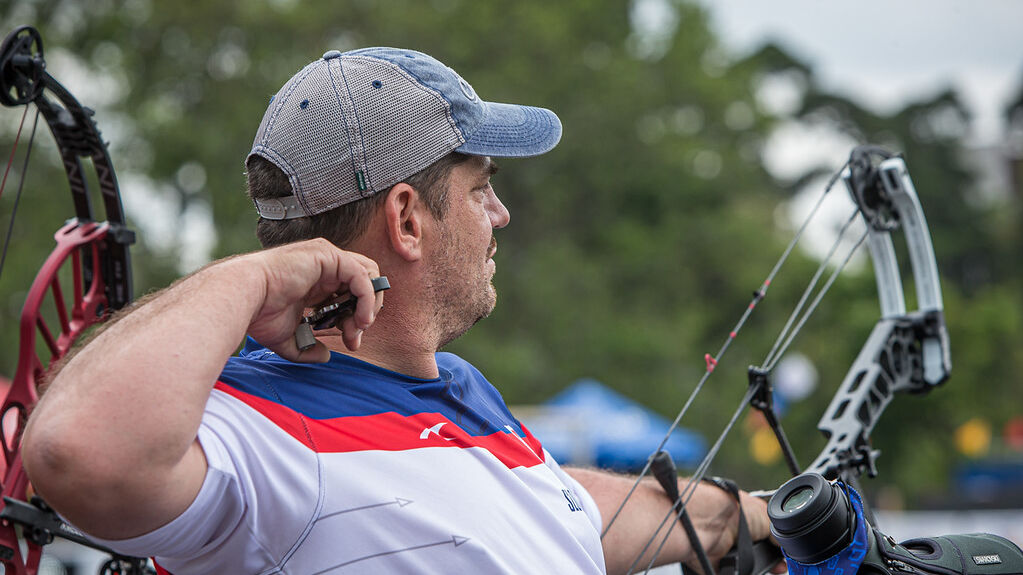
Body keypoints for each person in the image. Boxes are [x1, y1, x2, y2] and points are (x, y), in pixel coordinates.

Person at [23, 47, 778, 574]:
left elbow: (562, 511)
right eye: (481, 187)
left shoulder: (460, 392)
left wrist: (751, 515)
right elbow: (74, 452)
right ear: (407, 219)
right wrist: (253, 279)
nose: (502, 214)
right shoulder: (256, 430)